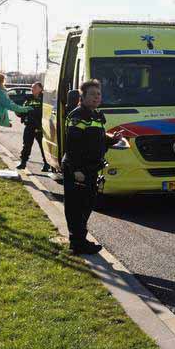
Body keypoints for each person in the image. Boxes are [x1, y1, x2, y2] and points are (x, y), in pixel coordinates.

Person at [63, 79, 120, 254]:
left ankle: (80, 240)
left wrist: (113, 139)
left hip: (91, 168)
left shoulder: (95, 115)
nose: (97, 97)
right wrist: (76, 170)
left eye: (99, 94)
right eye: (93, 94)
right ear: (83, 96)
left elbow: (98, 139)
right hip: (78, 169)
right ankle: (77, 243)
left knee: (86, 206)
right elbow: (72, 145)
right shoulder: (78, 115)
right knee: (76, 207)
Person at [17, 82, 50, 171]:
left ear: (40, 89)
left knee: (43, 146)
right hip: (29, 125)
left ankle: (47, 164)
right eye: (32, 88)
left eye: (34, 88)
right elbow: (23, 110)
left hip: (40, 126)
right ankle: (23, 163)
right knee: (26, 145)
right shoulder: (28, 99)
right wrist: (19, 113)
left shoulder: (45, 99)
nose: (32, 89)